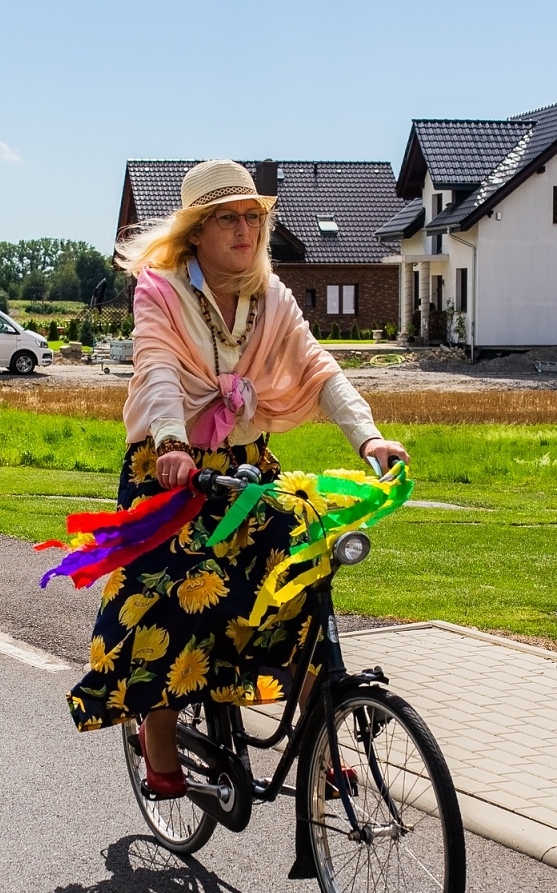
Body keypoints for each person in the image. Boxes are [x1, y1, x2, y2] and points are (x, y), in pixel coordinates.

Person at [64, 160, 409, 798]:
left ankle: (321, 744)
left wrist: (368, 437)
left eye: (254, 216)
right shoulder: (161, 291)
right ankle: (158, 742)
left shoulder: (272, 297)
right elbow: (157, 368)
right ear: (197, 230)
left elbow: (318, 367)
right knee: (168, 594)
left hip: (245, 471)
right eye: (229, 218)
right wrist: (172, 442)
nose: (246, 230)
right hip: (169, 471)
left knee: (300, 573)